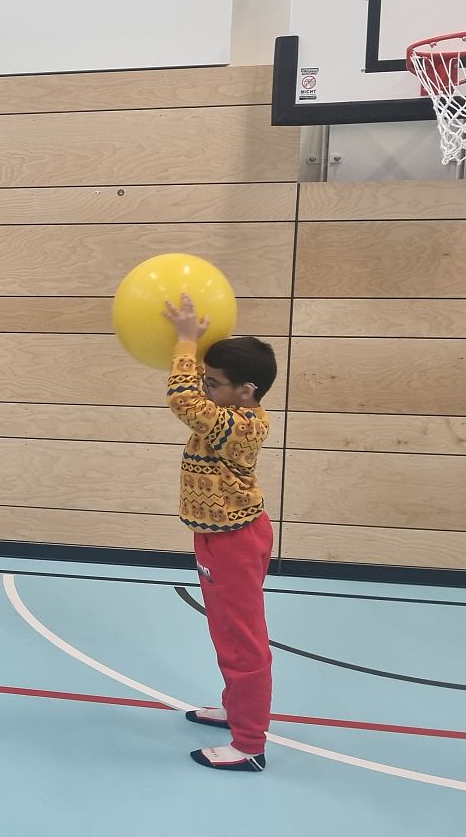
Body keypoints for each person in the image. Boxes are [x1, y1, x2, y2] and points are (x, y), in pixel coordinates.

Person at [162, 293, 277, 772]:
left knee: (241, 640)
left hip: (235, 541)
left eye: (214, 382)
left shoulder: (240, 424)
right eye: (205, 380)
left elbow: (180, 399)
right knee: (224, 631)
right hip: (215, 535)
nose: (204, 388)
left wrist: (187, 340)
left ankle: (249, 743)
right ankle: (237, 710)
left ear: (246, 390)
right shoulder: (226, 413)